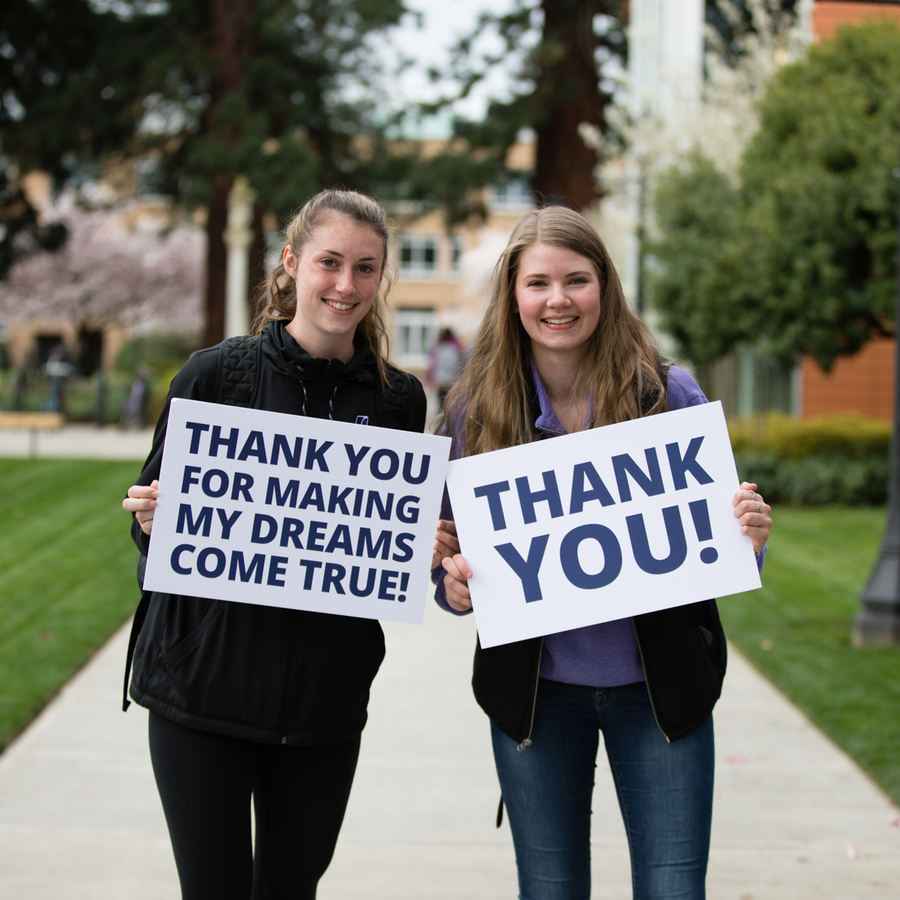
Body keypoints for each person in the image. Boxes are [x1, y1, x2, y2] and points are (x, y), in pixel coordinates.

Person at [431, 205, 772, 900]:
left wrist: (750, 536)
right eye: (538, 283)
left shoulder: (665, 394)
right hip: (536, 697)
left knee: (674, 889)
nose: (558, 300)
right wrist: (452, 584)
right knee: (550, 889)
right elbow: (448, 557)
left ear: (604, 288)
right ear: (513, 297)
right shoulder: (476, 411)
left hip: (660, 691)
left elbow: (717, 546)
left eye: (576, 280)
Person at [122, 189, 427, 900]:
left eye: (365, 267)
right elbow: (147, 535)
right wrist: (151, 522)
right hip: (202, 697)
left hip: (323, 704)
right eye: (329, 262)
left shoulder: (396, 402)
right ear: (291, 263)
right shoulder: (214, 376)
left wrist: (419, 544)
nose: (345, 285)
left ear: (380, 278)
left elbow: (381, 548)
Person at [427, 327, 464, 409]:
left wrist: (430, 381)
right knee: (451, 407)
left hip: (441, 382)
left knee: (441, 406)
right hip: (453, 382)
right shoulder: (457, 347)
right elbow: (462, 366)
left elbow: (432, 366)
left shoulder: (438, 348)